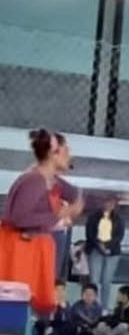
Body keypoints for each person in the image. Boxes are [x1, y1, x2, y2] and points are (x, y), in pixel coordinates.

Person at [0, 129, 84, 314]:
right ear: (53, 153)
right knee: (16, 305)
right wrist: (59, 214)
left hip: (31, 250)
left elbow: (75, 193)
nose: (69, 156)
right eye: (66, 151)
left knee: (24, 307)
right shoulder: (34, 181)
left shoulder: (49, 180)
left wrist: (74, 204)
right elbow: (19, 218)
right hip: (21, 252)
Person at [84, 195, 125, 310]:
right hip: (95, 249)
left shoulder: (119, 219)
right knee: (94, 280)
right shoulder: (93, 217)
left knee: (107, 281)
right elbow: (90, 233)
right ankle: (93, 305)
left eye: (112, 203)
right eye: (107, 202)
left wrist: (108, 246)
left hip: (112, 252)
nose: (109, 205)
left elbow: (119, 236)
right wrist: (99, 245)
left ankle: (104, 307)